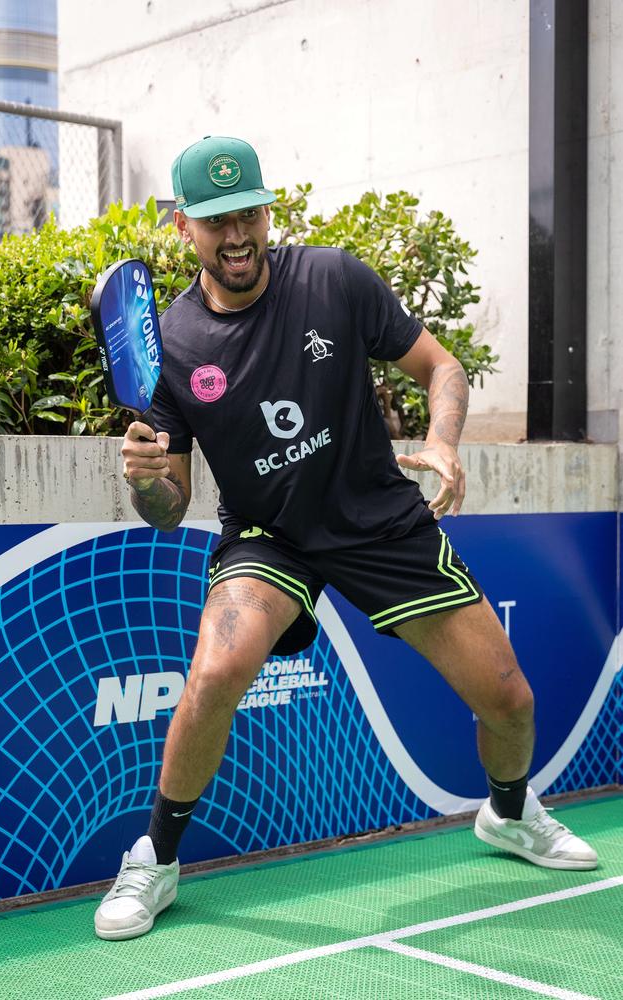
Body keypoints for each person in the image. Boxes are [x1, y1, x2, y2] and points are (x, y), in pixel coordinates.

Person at [94, 136, 597, 941]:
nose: (238, 235)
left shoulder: (334, 279)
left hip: (375, 515)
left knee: (509, 699)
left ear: (269, 209)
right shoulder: (172, 345)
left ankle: (507, 815)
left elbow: (442, 369)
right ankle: (155, 856)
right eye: (217, 219)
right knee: (217, 668)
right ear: (185, 226)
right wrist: (148, 476)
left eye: (249, 212)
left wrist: (442, 441)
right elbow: (170, 502)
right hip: (271, 534)